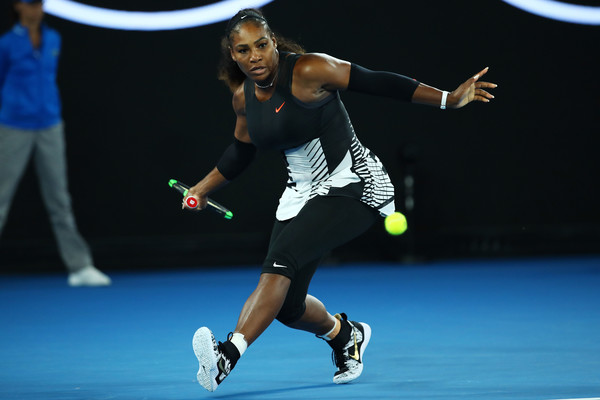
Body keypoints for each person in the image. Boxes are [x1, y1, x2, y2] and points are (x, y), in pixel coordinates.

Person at [184, 8, 496, 392]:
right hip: (302, 195)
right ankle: (343, 334)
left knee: (278, 266)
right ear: (233, 55)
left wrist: (449, 98)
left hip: (355, 185)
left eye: (262, 45)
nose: (255, 56)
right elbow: (241, 151)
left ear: (273, 44)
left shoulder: (310, 71)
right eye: (244, 50)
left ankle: (226, 356)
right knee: (287, 306)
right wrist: (202, 188)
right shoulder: (243, 100)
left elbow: (377, 81)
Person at [0, 0, 111, 286]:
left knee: (59, 199)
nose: (36, 8)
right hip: (13, 125)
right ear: (18, 7)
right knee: (1, 198)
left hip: (50, 124)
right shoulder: (6, 44)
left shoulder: (53, 38)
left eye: (39, 3)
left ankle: (79, 266)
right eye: (30, 3)